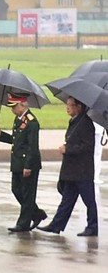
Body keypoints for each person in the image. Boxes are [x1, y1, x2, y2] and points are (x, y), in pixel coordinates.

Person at [38, 97, 98, 237]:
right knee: (67, 200)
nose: (67, 107)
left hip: (82, 170)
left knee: (89, 200)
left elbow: (87, 146)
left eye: (70, 105)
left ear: (79, 106)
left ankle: (92, 227)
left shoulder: (86, 123)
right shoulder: (75, 121)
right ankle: (56, 225)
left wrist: (68, 149)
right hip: (72, 171)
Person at [0, 94, 47, 232]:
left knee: (28, 194)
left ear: (22, 105)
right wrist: (1, 134)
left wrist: (28, 166)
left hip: (28, 164)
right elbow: (17, 141)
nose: (12, 110)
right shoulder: (18, 120)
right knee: (16, 189)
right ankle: (36, 213)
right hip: (17, 162)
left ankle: (23, 223)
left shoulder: (32, 122)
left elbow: (32, 147)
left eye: (14, 106)